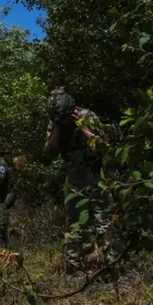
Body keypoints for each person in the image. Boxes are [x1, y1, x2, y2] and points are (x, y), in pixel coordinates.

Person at [46, 86, 111, 275]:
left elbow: (104, 147)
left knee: (103, 221)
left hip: (95, 174)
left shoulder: (87, 116)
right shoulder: (55, 121)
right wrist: (57, 128)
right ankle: (73, 268)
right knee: (74, 222)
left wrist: (83, 127)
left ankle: (108, 267)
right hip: (74, 177)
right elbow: (49, 153)